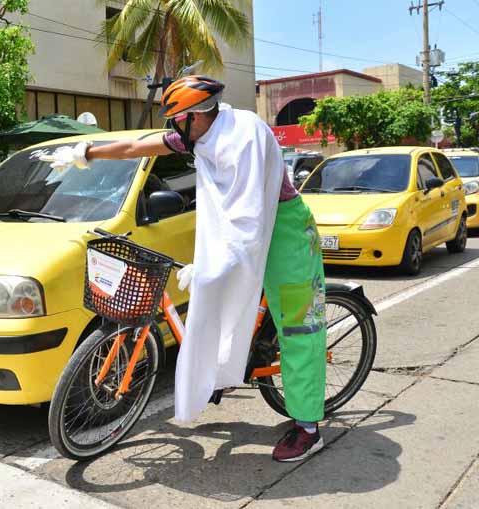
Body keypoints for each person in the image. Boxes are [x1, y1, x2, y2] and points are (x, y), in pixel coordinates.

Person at [42, 76, 326, 462]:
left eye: (177, 119)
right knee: (221, 301)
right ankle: (226, 370)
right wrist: (85, 152)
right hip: (244, 229)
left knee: (298, 327)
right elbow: (134, 146)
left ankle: (308, 427)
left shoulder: (244, 137)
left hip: (283, 230)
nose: (172, 127)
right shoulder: (198, 134)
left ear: (194, 116)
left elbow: (248, 220)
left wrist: (212, 267)